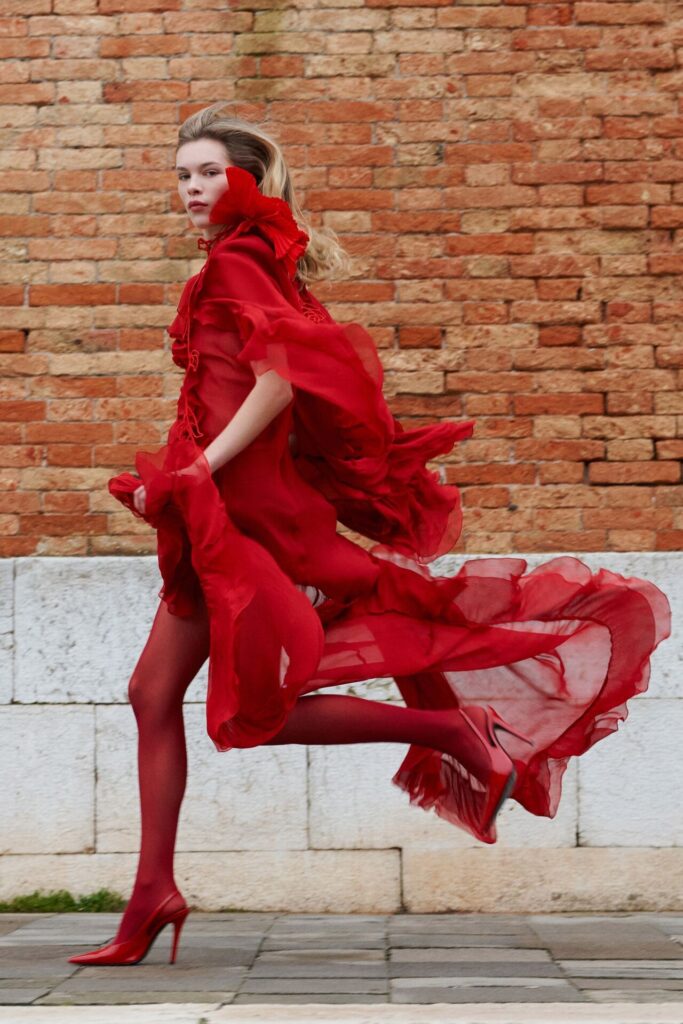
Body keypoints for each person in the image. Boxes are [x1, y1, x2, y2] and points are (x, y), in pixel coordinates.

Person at [68, 103, 671, 967]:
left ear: (248, 181)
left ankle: (454, 733)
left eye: (207, 173)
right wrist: (183, 480)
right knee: (150, 695)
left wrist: (199, 468)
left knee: (252, 717)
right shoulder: (248, 262)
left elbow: (279, 381)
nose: (191, 189)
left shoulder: (238, 262)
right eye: (182, 176)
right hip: (217, 513)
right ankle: (152, 894)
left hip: (246, 521)